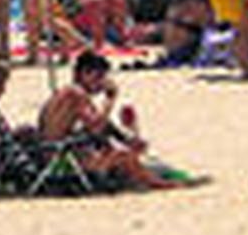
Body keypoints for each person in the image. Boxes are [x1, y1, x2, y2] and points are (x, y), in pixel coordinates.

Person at [37, 51, 177, 189]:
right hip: (59, 159)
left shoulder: (71, 93)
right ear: (84, 73)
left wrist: (126, 139)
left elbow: (102, 126)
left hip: (55, 153)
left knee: (120, 150)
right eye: (98, 77)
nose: (101, 84)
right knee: (124, 156)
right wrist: (110, 98)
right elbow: (96, 126)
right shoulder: (75, 94)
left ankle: (151, 180)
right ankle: (159, 184)